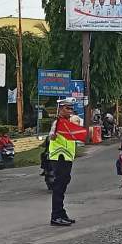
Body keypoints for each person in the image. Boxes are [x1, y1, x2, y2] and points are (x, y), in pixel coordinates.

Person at [48, 97, 78, 227]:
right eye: (67, 108)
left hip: (67, 158)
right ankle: (56, 216)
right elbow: (51, 135)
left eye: (71, 108)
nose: (70, 110)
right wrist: (53, 134)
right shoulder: (57, 122)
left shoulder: (68, 123)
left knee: (63, 185)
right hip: (59, 157)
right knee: (59, 187)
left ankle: (61, 213)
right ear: (60, 109)